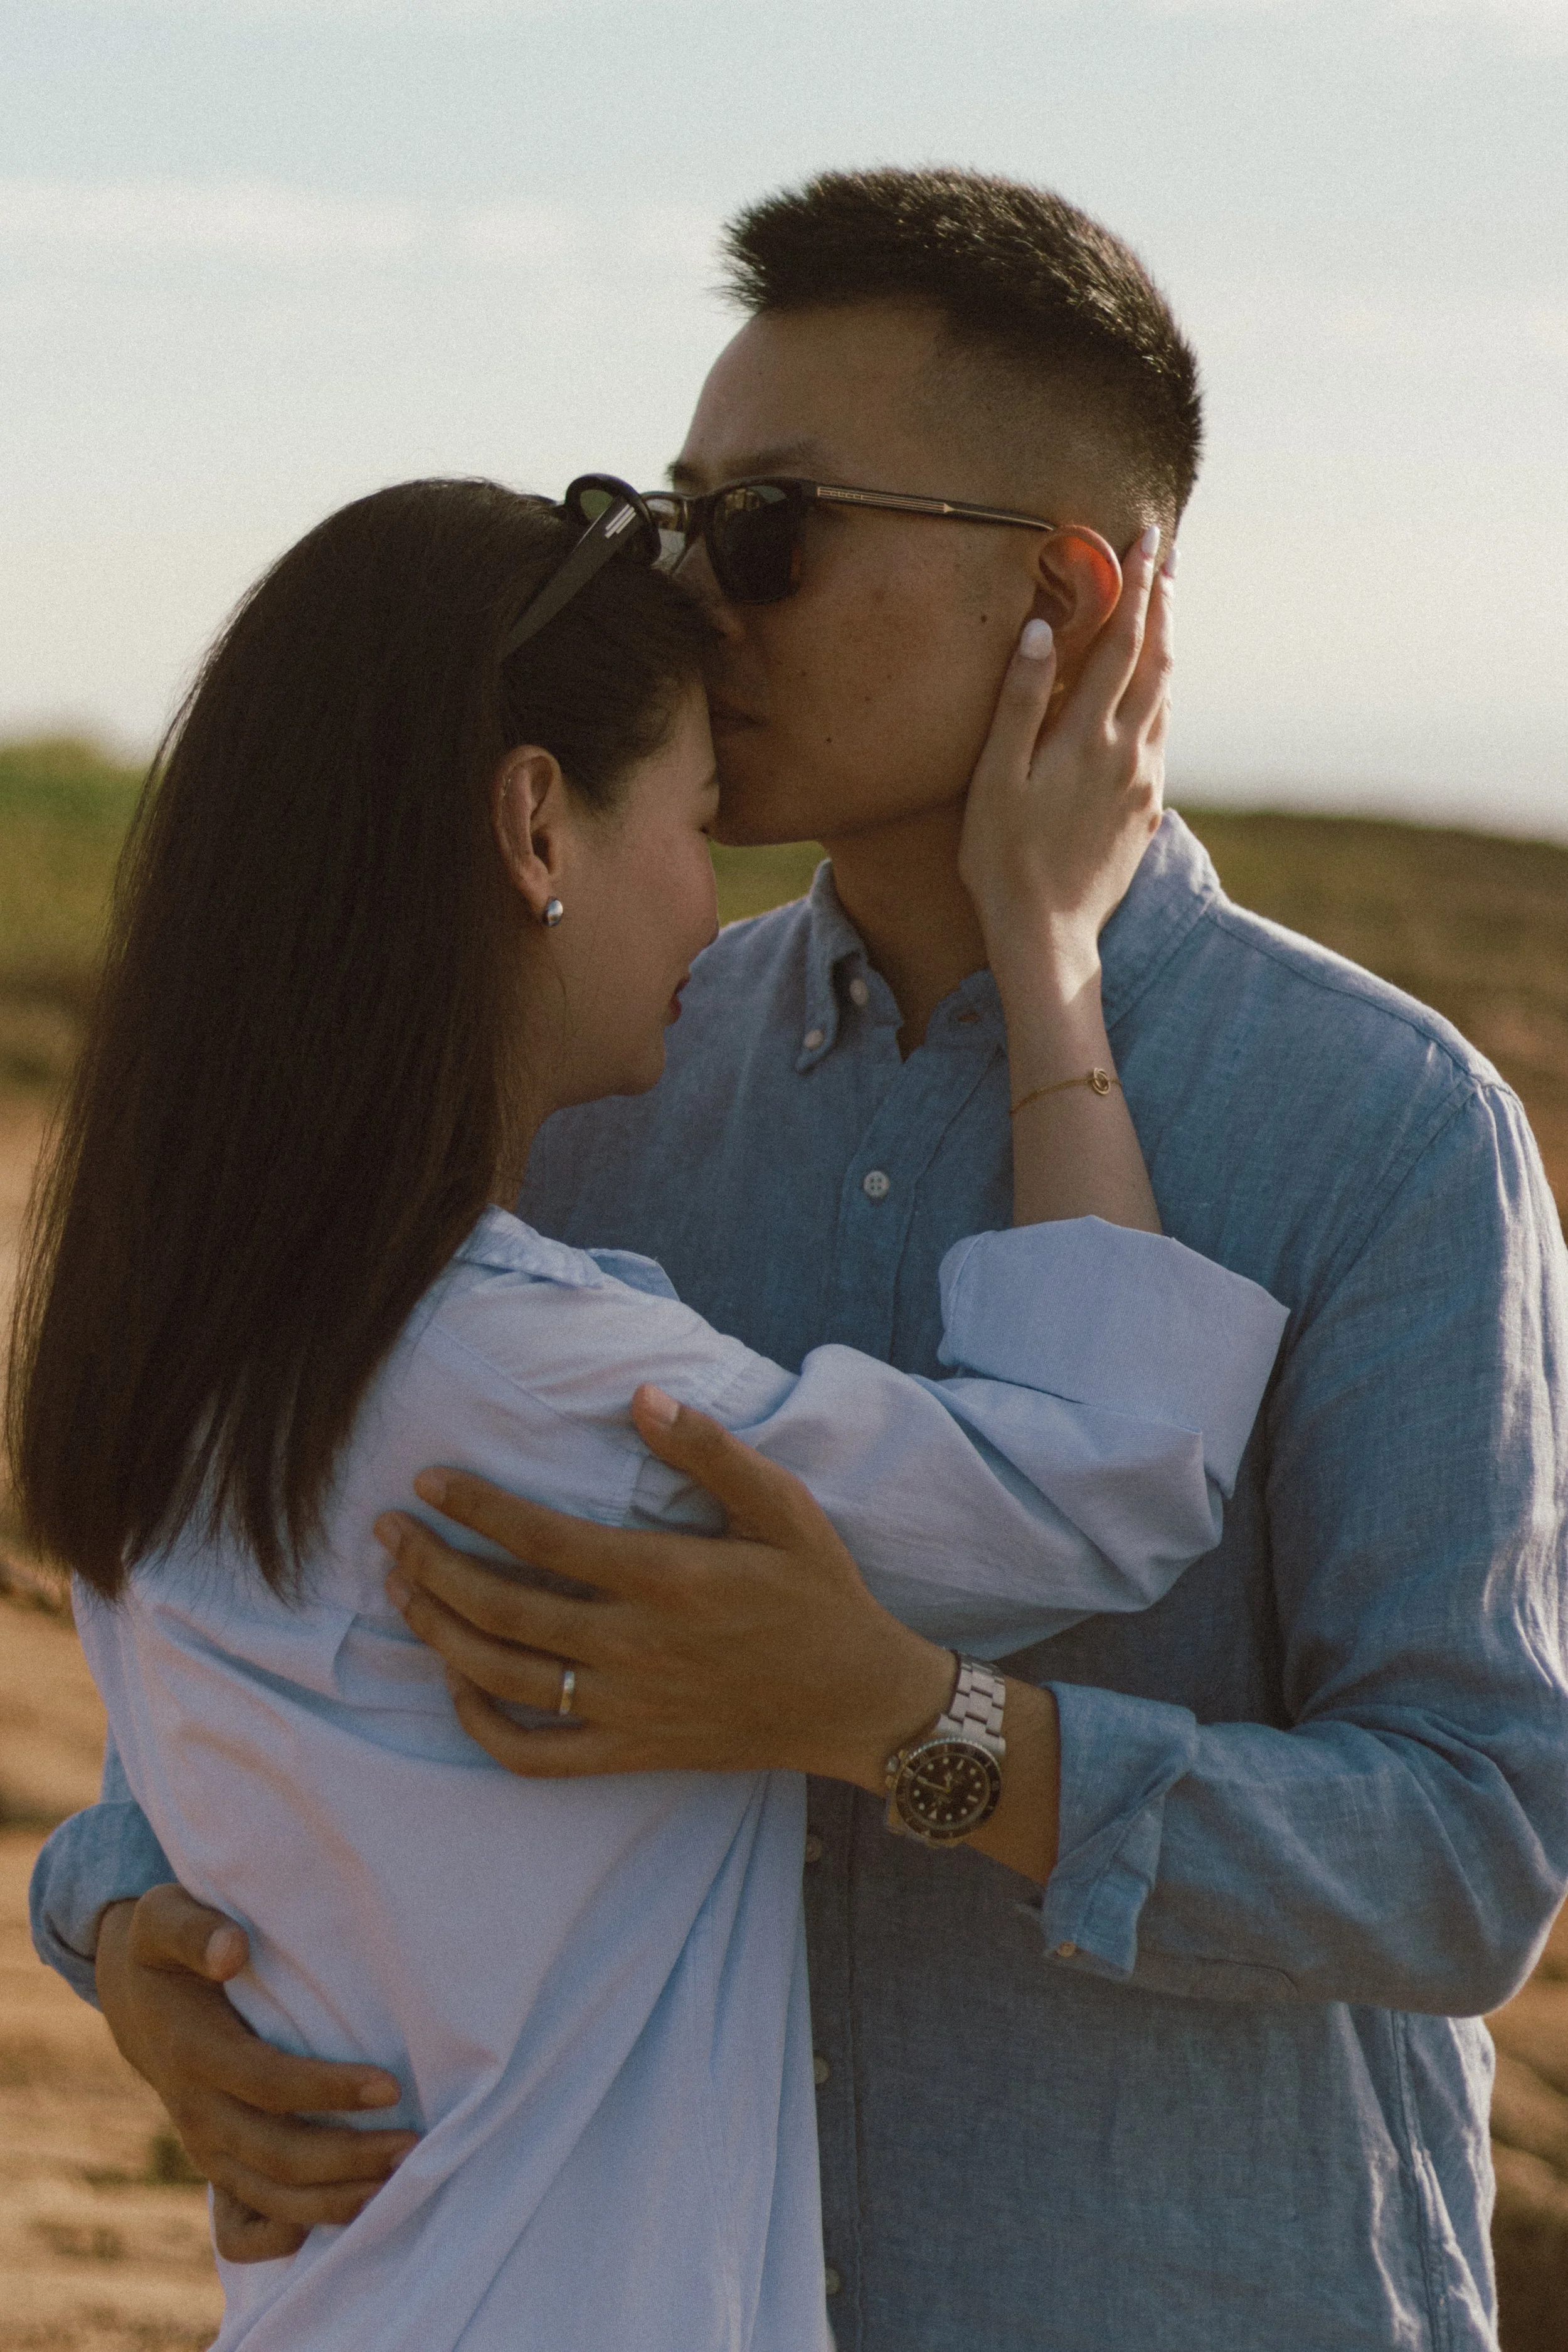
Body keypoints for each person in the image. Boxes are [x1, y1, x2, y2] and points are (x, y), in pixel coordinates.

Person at [31, 167, 1568, 2350]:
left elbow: (1467, 1845)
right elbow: (295, 1588)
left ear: (1064, 594)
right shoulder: (599, 1086)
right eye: (665, 530)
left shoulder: (1375, 1128)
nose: (679, 605)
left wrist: (920, 1731)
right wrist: (131, 1930)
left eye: (759, 534)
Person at [11, 471, 1286, 2349]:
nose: (713, 896)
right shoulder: (523, 1373)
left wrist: (111, 1926)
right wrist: (1054, 947)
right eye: (694, 822)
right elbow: (1108, 1471)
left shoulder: (199, 1333)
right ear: (537, 821)